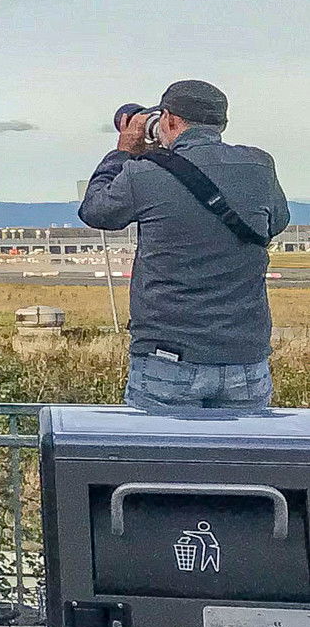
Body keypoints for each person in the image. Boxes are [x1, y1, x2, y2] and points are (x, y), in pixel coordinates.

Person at [80, 81, 290, 413]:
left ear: (170, 120)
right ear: (221, 124)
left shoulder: (143, 174)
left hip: (168, 357)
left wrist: (124, 151)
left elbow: (95, 210)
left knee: (165, 462)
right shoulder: (260, 166)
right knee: (242, 462)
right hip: (245, 357)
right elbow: (275, 223)